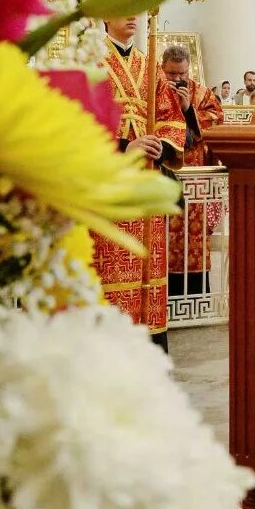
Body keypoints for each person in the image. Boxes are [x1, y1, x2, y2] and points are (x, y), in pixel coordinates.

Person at [100, 17, 169, 350]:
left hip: (146, 178)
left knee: (147, 264)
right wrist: (124, 146)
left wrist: (161, 144)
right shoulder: (90, 58)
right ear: (105, 16)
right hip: (108, 179)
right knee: (110, 265)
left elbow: (170, 117)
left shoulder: (149, 63)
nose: (131, 17)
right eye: (123, 10)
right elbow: (80, 117)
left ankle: (150, 344)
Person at [155, 44, 226, 299]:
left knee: (192, 241)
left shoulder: (201, 92)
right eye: (172, 73)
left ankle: (195, 298)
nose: (176, 79)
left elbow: (217, 120)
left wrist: (188, 109)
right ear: (162, 67)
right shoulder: (153, 87)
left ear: (188, 70)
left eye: (181, 74)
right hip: (162, 174)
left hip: (193, 176)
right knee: (161, 238)